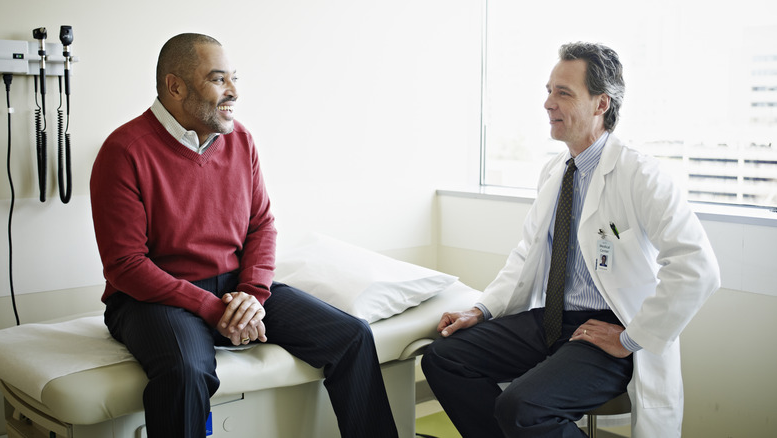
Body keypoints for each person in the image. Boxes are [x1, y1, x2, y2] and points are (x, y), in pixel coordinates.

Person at [90, 33, 399, 438]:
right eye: (218, 79)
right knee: (186, 372)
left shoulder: (241, 141)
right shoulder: (124, 150)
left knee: (353, 336)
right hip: (155, 298)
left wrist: (252, 295)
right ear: (175, 86)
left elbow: (261, 226)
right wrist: (210, 307)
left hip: (235, 288)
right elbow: (125, 265)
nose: (233, 91)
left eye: (234, 78)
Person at [421, 42, 720, 438]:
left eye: (563, 93)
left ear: (601, 104)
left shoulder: (641, 175)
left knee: (521, 407)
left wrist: (631, 337)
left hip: (608, 329)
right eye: (548, 91)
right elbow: (526, 255)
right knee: (443, 358)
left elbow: (698, 268)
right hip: (549, 320)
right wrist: (481, 310)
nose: (548, 103)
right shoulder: (554, 172)